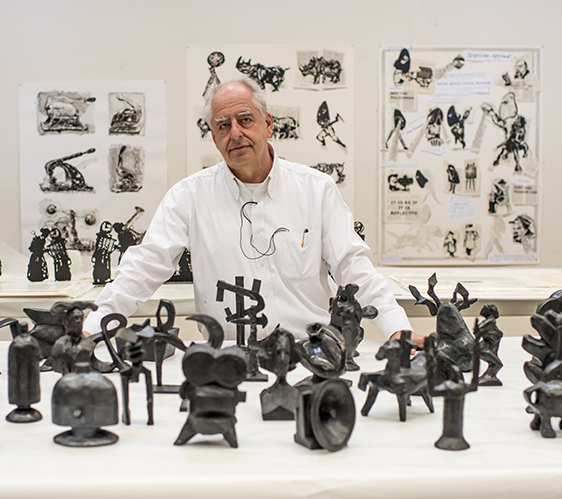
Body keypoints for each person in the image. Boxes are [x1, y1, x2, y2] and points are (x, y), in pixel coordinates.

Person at [83, 78, 421, 346]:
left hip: (311, 352)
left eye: (245, 120)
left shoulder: (315, 189)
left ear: (268, 123)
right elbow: (143, 267)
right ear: (214, 137)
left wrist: (396, 329)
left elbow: (353, 267)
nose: (236, 134)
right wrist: (92, 327)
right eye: (223, 126)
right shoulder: (188, 197)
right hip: (230, 358)